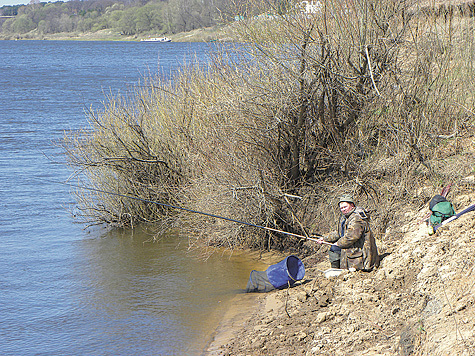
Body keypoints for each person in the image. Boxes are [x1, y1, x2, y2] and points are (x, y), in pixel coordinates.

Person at [316, 194, 380, 271]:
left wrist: (339, 243)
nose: (343, 209)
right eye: (341, 208)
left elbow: (351, 237)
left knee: (337, 247)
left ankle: (344, 271)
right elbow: (339, 233)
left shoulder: (357, 218)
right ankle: (336, 272)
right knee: (333, 249)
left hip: (361, 253)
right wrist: (324, 238)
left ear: (352, 205)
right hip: (351, 247)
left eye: (345, 207)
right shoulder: (344, 218)